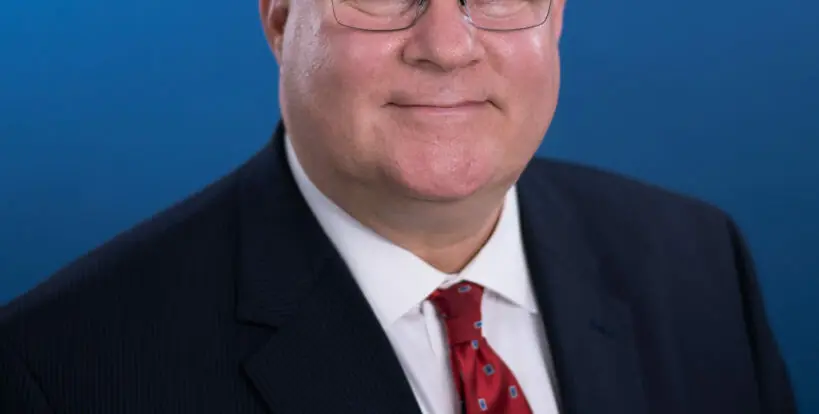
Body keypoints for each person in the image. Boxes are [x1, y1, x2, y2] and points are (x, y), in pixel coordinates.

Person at [0, 0, 797, 411]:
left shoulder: (699, 265)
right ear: (280, 16)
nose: (446, 46)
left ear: (555, 14)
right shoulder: (62, 371)